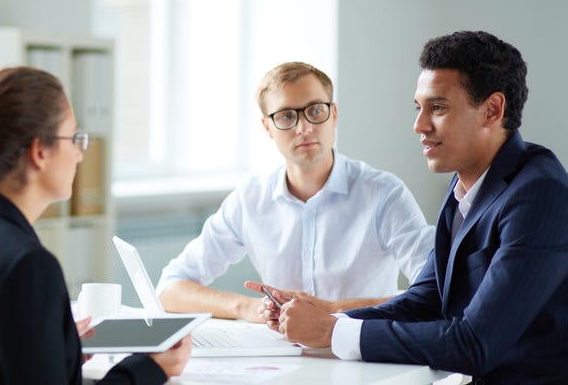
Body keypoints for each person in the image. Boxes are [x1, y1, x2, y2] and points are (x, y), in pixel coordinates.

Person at [261, 31, 568, 383]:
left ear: (492, 110)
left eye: (437, 108)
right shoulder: (466, 181)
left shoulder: (540, 193)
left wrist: (332, 334)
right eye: (419, 108)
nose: (419, 126)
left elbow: (475, 343)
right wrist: (329, 322)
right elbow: (427, 297)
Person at [0, 66, 191, 384]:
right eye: (75, 139)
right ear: (40, 152)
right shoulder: (28, 264)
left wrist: (54, 351)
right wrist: (150, 369)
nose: (79, 155)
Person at [157, 61, 435, 322]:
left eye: (315, 110)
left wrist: (331, 310)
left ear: (333, 115)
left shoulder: (383, 194)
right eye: (287, 116)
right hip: (283, 356)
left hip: (365, 351)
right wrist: (247, 307)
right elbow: (170, 288)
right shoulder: (250, 199)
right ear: (268, 127)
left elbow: (435, 294)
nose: (304, 128)